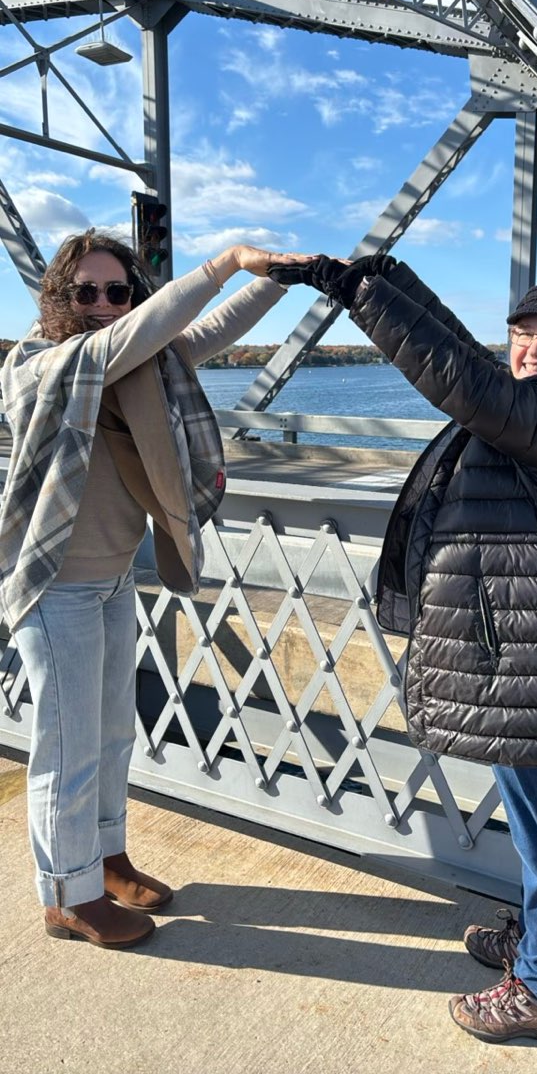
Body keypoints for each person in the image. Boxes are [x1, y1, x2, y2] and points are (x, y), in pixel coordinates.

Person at [268, 254, 537, 1044]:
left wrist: (355, 293)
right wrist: (386, 273)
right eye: (522, 333)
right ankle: (536, 946)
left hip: (536, 650)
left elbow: (465, 381)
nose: (531, 349)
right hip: (520, 643)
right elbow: (463, 350)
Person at [0, 230, 311, 950]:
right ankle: (66, 896)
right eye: (86, 292)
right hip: (56, 588)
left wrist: (278, 280)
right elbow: (146, 331)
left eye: (118, 292)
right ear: (58, 299)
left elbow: (196, 331)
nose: (104, 306)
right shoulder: (39, 366)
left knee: (109, 738)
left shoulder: (137, 365)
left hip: (111, 581)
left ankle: (104, 861)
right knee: (67, 751)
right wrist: (227, 261)